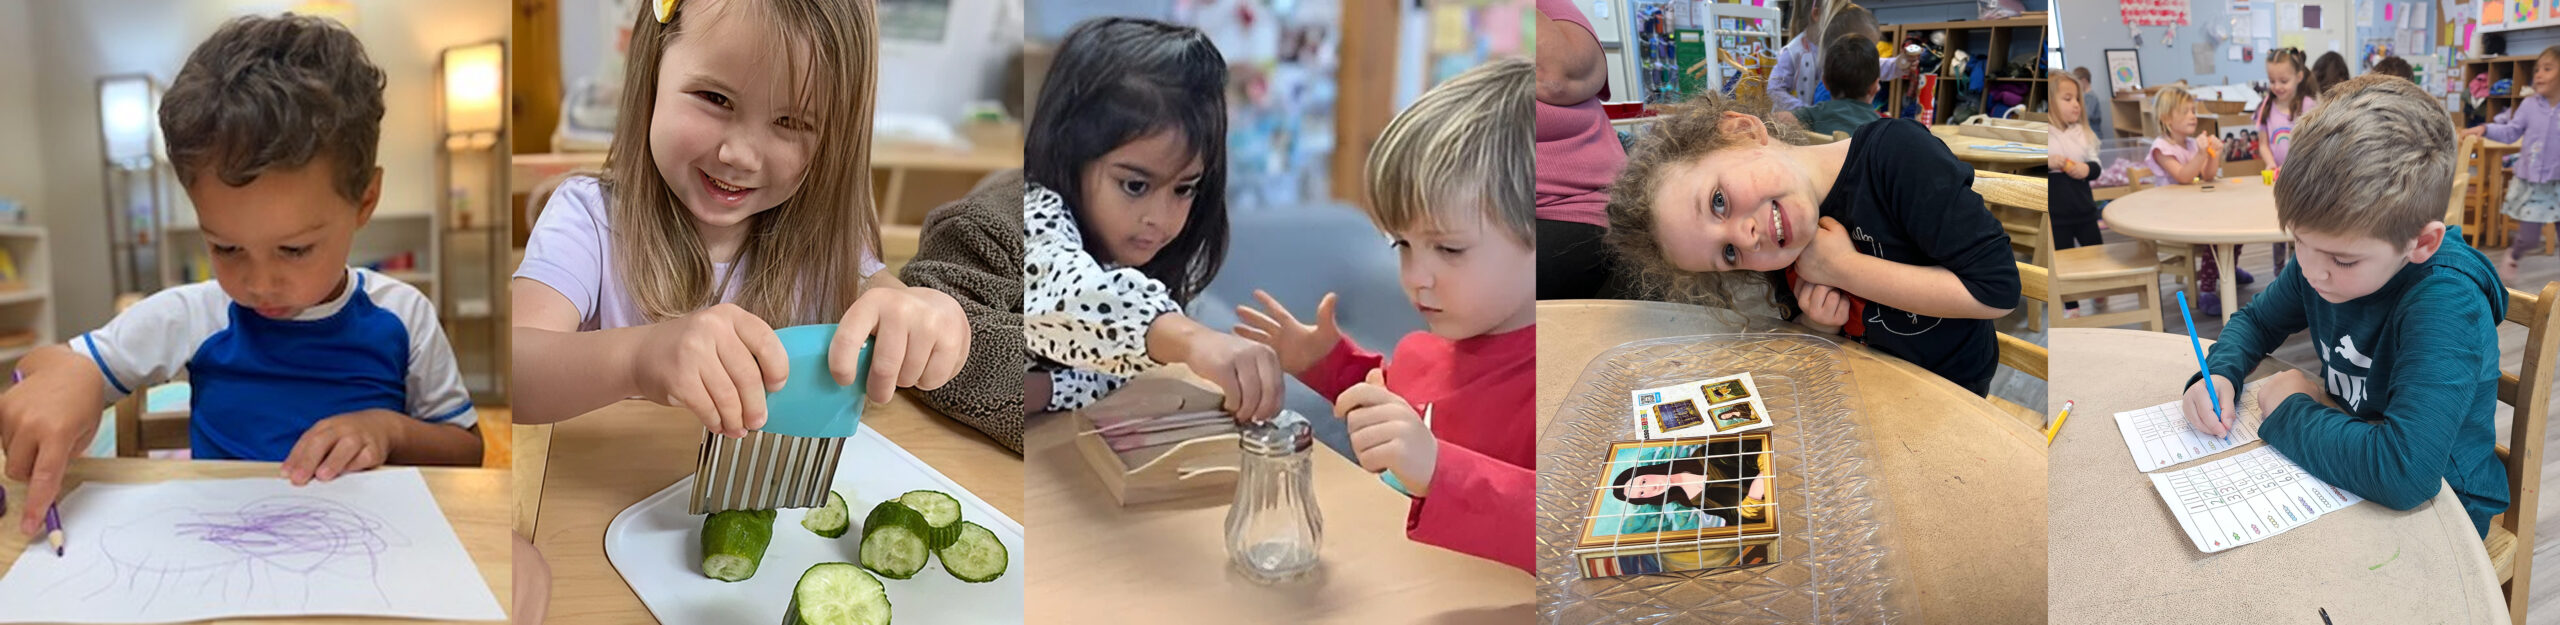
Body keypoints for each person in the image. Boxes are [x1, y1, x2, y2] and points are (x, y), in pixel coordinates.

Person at [0, 14, 482, 535]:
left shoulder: (402, 315)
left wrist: (390, 430)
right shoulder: (196, 312)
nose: (258, 282)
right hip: (223, 548)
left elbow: (467, 450)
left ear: (364, 201)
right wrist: (68, 376)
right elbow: (51, 365)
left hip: (371, 547)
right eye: (225, 247)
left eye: (295, 249)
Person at [1237, 59, 1538, 572]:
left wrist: (1439, 470)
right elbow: (1405, 406)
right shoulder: (1428, 345)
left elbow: (1569, 524)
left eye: (1448, 249)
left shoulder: (1555, 381)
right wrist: (1329, 365)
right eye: (1402, 244)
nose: (1415, 276)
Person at [2187, 75, 2510, 536]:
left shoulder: (2446, 300)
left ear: (2421, 243)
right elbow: (2257, 321)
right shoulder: (2320, 260)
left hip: (2444, 511)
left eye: (2343, 259)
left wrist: (2289, 406)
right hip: (2352, 458)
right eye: (2299, 241)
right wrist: (2219, 372)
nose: (2314, 272)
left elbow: (2406, 473)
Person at [1602, 92, 2019, 394]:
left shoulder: (1896, 155)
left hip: (1951, 390)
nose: (1745, 238)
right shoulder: (1781, 239)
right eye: (1729, 254)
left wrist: (1842, 268)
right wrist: (1818, 325)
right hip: (1872, 389)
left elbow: (1997, 293)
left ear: (1741, 132)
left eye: (1718, 202)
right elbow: (1813, 344)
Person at [1019, 17, 1284, 422]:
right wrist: (1190, 339)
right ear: (1069, 156)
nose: (1159, 219)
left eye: (1184, 189)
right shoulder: (1034, 215)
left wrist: (1046, 389)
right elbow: (1069, 294)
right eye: (1135, 186)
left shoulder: (1139, 253)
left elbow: (1119, 368)